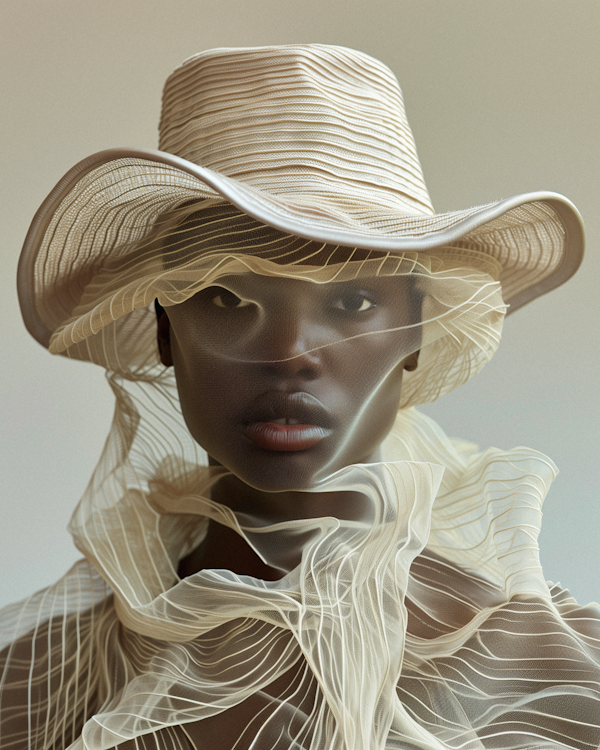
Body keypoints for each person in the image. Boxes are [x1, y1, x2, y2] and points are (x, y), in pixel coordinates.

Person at [2, 44, 599, 750]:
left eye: (350, 300)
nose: (290, 354)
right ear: (165, 328)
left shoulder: (552, 670)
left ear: (419, 332)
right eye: (226, 296)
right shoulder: (38, 682)